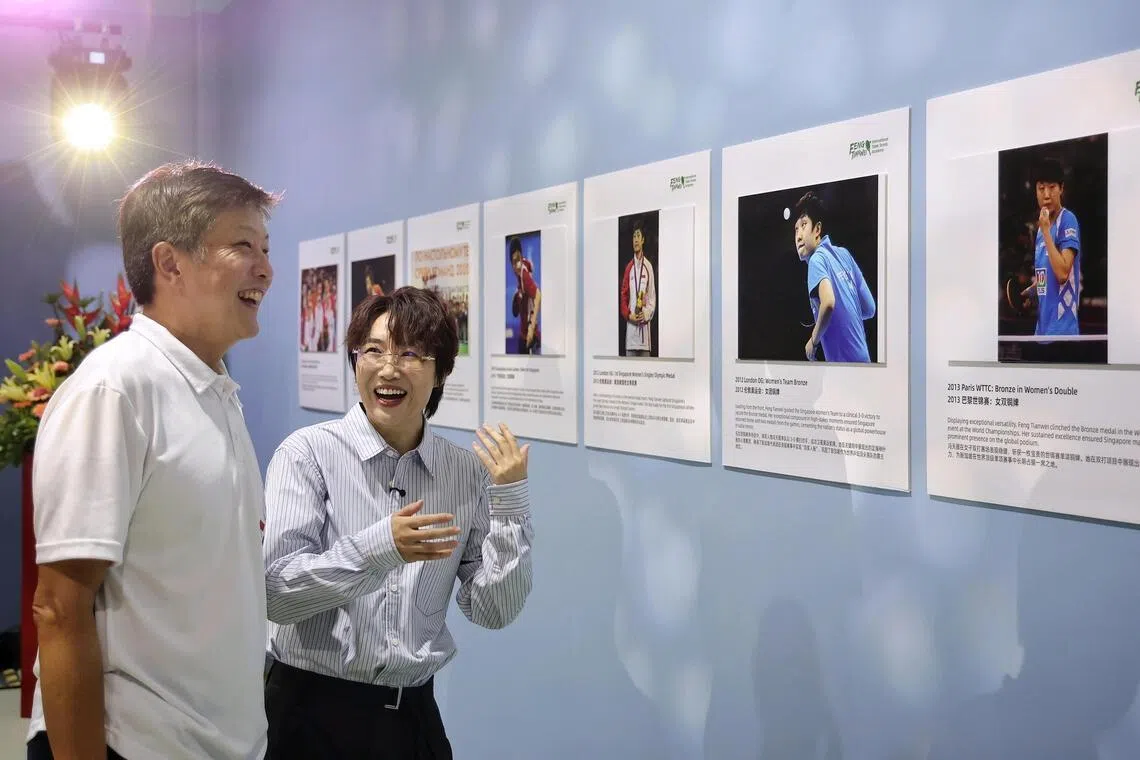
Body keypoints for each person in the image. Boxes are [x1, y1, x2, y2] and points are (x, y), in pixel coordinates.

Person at [26, 159, 279, 760]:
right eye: (243, 245)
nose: (266, 269)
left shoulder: (215, 391)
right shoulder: (114, 390)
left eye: (266, 247)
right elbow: (60, 609)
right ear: (170, 263)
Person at [261, 286, 535, 759]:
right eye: (373, 350)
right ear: (355, 362)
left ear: (441, 371)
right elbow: (277, 593)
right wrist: (381, 546)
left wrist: (510, 502)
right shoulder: (307, 454)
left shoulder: (463, 473)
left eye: (410, 354)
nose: (389, 368)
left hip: (410, 719)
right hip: (307, 713)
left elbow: (493, 610)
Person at [793, 190, 875, 362]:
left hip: (843, 368)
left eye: (804, 225)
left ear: (817, 229)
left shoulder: (816, 260)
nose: (798, 235)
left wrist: (813, 341)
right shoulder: (844, 254)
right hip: (864, 361)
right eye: (796, 229)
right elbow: (869, 309)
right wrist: (844, 317)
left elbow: (828, 303)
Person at [1017, 157, 1082, 337]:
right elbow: (1045, 274)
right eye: (1041, 188)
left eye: (1052, 187)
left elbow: (1062, 274)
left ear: (1061, 189)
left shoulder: (1067, 220)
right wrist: (1033, 290)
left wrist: (1046, 232)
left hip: (1063, 332)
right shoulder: (1041, 230)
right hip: (1042, 331)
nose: (1046, 195)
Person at [619, 218, 656, 356]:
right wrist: (629, 316)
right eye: (634, 236)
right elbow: (623, 298)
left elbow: (652, 298)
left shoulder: (648, 267)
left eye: (638, 236)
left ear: (643, 240)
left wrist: (645, 314)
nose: (635, 240)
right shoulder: (629, 268)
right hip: (631, 338)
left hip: (645, 339)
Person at [509, 237, 541, 353]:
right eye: (513, 262)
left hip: (530, 336)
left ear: (521, 258)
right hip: (524, 334)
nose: (516, 265)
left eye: (518, 260)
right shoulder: (522, 270)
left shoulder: (523, 275)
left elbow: (538, 295)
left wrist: (531, 330)